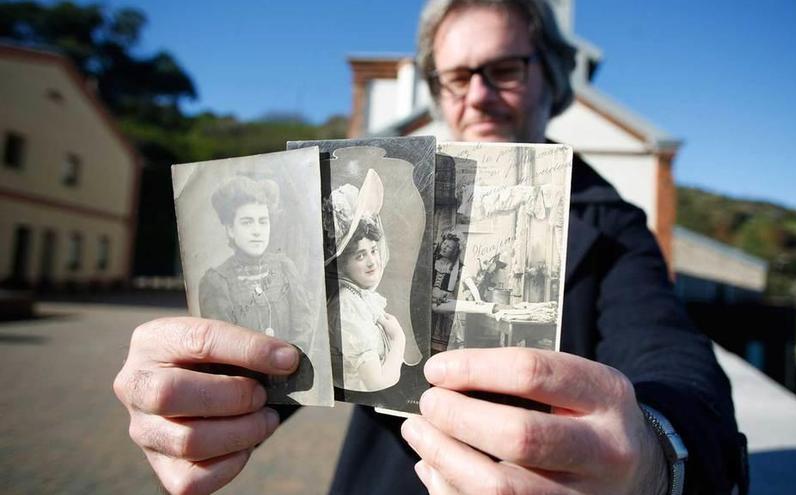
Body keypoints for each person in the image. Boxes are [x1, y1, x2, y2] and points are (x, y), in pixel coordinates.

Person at [113, 1, 747, 494]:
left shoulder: (610, 225)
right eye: (455, 77)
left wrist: (656, 455)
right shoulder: (395, 199)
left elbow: (673, 358)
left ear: (552, 81)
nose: (476, 96)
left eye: (504, 70)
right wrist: (201, 401)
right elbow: (300, 348)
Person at [198, 175, 313, 393]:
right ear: (230, 229)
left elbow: (303, 321)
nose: (257, 230)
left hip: (292, 381)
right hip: (244, 388)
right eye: (247, 222)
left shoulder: (284, 266)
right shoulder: (216, 281)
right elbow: (223, 347)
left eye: (263, 221)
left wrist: (290, 361)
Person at [324, 173, 407, 392]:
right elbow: (375, 383)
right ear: (342, 264)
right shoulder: (348, 306)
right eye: (360, 256)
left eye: (373, 251)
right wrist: (399, 341)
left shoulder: (359, 298)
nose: (372, 261)